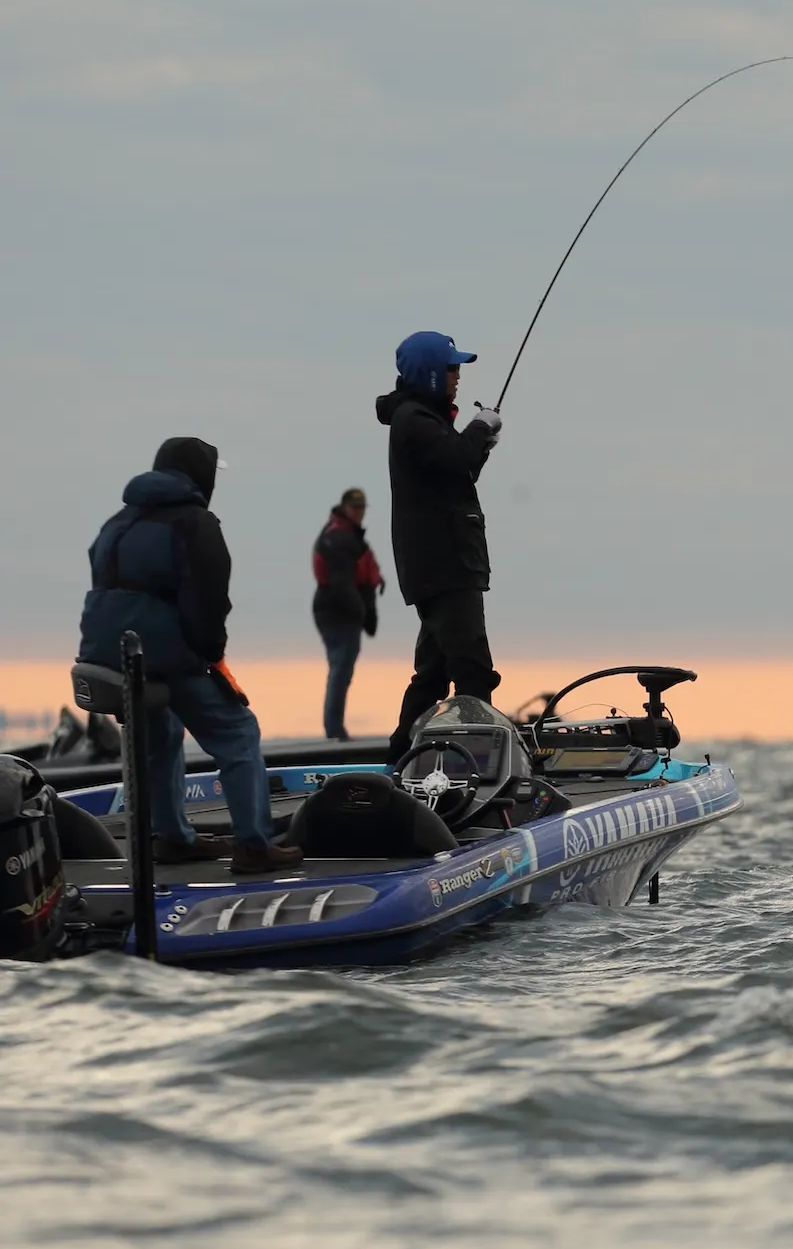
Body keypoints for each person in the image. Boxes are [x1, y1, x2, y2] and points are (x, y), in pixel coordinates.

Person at [76, 438, 304, 875]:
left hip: (108, 658)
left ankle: (172, 838)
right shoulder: (195, 523)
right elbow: (208, 599)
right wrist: (210, 656)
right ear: (201, 475)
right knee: (237, 734)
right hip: (163, 654)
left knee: (159, 737)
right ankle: (254, 845)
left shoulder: (117, 523)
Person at [377, 332, 504, 758]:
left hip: (441, 566)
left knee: (431, 675)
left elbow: (456, 471)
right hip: (445, 566)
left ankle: (397, 757)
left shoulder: (420, 420)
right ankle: (485, 763)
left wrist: (480, 441)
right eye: (451, 368)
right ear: (431, 373)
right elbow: (457, 460)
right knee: (472, 669)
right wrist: (481, 427)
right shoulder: (415, 420)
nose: (457, 376)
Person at [311, 486, 385, 740]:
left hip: (340, 610)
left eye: (362, 507)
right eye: (354, 507)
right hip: (336, 611)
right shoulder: (339, 537)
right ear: (344, 508)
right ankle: (334, 730)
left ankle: (335, 728)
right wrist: (362, 611)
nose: (359, 512)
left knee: (341, 668)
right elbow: (341, 582)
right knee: (340, 668)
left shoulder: (347, 535)